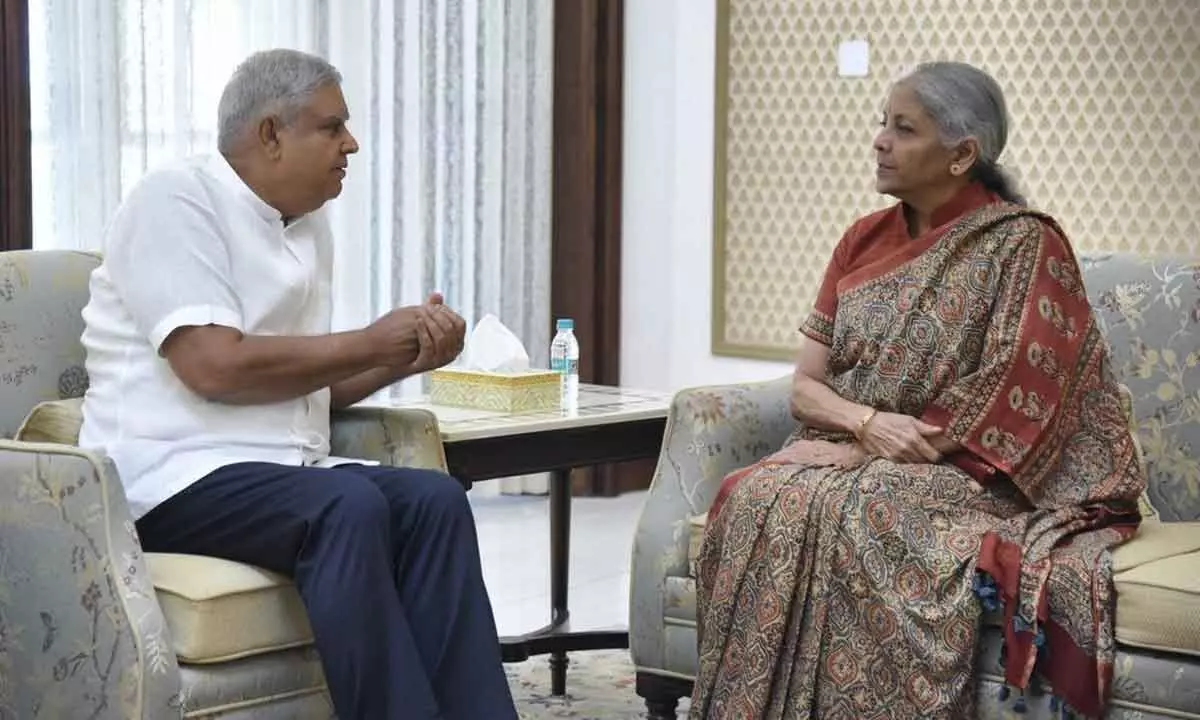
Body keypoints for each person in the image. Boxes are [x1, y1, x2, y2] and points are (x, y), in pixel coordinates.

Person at [691, 61, 1146, 719]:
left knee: (869, 504)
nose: (879, 140)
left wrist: (872, 449)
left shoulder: (1022, 244)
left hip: (970, 469)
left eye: (903, 128)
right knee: (758, 493)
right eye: (883, 122)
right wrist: (867, 425)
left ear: (963, 154)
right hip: (857, 442)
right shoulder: (861, 239)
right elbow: (805, 388)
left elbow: (1014, 395)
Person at [78, 48, 518, 720]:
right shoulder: (174, 200)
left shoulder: (307, 227)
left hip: (278, 469)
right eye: (332, 127)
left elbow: (310, 391)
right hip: (167, 475)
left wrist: (407, 356)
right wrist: (372, 338)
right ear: (270, 134)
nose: (353, 143)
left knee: (435, 501)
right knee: (346, 506)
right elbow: (213, 367)